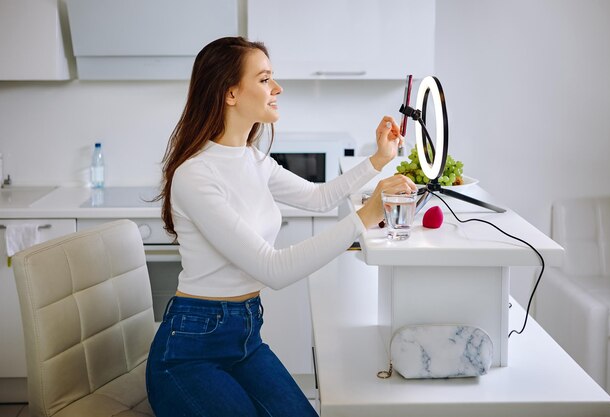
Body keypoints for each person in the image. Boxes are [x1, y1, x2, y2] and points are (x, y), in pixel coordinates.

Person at [145, 36, 416, 417]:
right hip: (190, 350)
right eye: (265, 78)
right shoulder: (195, 175)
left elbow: (320, 198)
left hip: (246, 339)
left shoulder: (254, 160)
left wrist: (378, 159)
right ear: (231, 94)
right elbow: (273, 269)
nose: (277, 88)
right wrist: (364, 216)